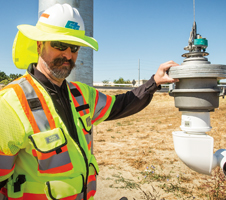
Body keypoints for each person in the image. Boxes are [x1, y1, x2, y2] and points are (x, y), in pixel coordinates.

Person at [0, 3, 179, 200]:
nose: (68, 54)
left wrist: (154, 82)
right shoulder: (11, 103)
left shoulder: (82, 94)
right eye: (59, 45)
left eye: (74, 47)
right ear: (39, 44)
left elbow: (122, 104)